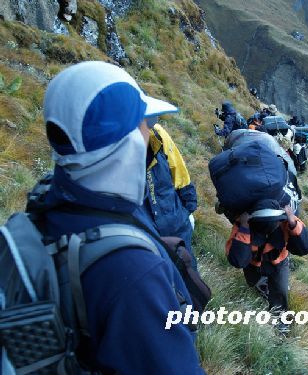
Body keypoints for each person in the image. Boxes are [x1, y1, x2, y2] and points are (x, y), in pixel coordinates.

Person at [37, 61, 204, 373]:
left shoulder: (48, 197)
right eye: (144, 122)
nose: (149, 130)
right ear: (125, 143)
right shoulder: (136, 272)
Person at [225, 200, 308, 332]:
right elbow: (237, 260)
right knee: (253, 282)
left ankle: (280, 319)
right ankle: (265, 287)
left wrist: (293, 223)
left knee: (280, 290)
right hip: (253, 263)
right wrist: (244, 227)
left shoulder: (287, 219)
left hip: (279, 261)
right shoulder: (243, 221)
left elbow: (305, 247)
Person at [143, 119, 198, 268]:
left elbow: (177, 167)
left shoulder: (158, 134)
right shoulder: (108, 150)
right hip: (148, 233)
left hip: (175, 221)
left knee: (188, 273)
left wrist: (189, 203)